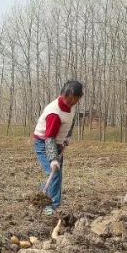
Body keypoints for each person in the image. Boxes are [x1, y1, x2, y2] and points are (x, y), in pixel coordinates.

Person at [33, 80, 83, 216]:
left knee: (56, 175)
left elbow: (70, 121)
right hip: (44, 143)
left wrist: (67, 136)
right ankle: (52, 207)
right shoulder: (54, 113)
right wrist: (53, 159)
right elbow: (49, 138)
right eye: (69, 99)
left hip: (58, 143)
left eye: (75, 100)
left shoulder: (71, 107)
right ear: (63, 94)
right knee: (54, 172)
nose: (71, 102)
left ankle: (42, 198)